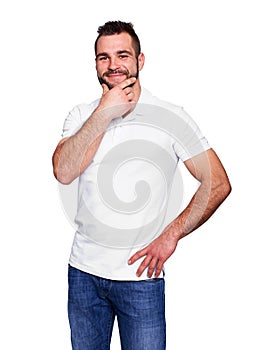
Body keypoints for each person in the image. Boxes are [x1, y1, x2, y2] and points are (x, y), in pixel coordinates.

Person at [52, 21, 231, 350]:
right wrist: (105, 111)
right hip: (83, 275)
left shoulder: (169, 116)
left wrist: (171, 234)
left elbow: (217, 182)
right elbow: (64, 171)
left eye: (122, 55)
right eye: (103, 57)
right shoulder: (81, 115)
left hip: (141, 280)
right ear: (95, 64)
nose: (113, 65)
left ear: (140, 60)